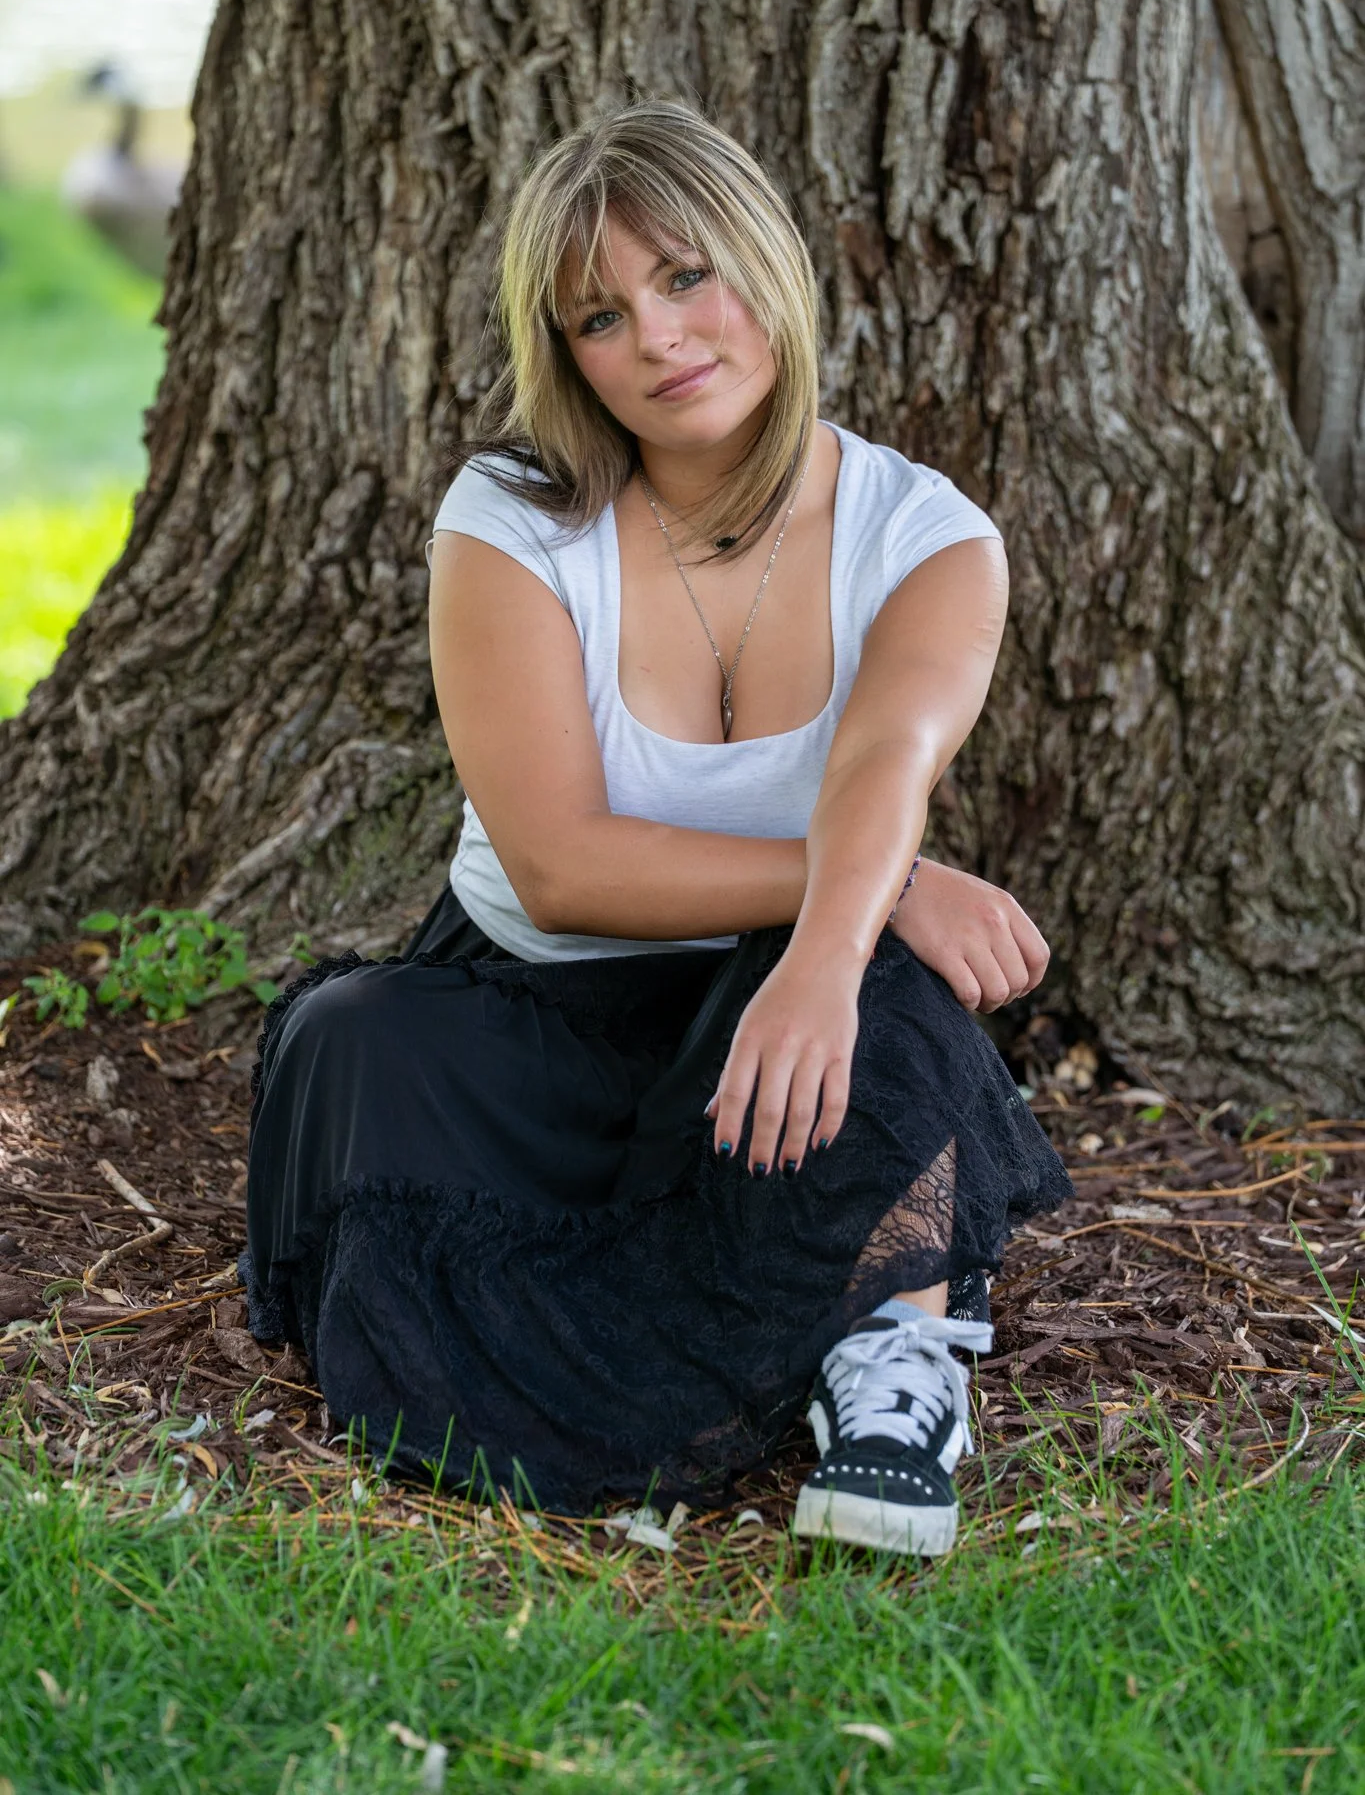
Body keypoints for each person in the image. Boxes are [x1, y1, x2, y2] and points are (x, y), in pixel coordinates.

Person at [242, 100, 1072, 1557]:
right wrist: (883, 887)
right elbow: (560, 866)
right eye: (601, 316)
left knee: (887, 1003)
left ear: (766, 265)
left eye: (687, 276)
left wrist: (834, 946)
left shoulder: (927, 537)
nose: (660, 339)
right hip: (535, 1010)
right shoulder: (511, 518)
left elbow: (887, 760)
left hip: (776, 1014)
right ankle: (769, 1307)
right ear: (566, 354)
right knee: (356, 1037)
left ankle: (896, 1368)